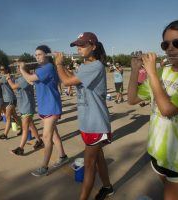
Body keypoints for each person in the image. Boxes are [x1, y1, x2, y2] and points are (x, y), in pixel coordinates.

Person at [127, 20, 178, 200]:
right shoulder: (164, 72)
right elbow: (132, 99)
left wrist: (153, 73)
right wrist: (134, 71)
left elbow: (167, 109)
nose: (170, 49)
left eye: (177, 43)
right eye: (166, 44)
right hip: (159, 152)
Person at [55, 32, 113, 200]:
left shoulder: (96, 66)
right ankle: (108, 187)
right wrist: (63, 66)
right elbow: (72, 78)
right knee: (99, 158)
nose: (79, 48)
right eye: (77, 46)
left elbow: (66, 82)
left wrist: (58, 65)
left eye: (82, 45)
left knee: (89, 165)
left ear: (93, 46)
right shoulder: (84, 66)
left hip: (96, 123)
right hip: (87, 122)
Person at [19, 45, 68, 177]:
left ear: (47, 55)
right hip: (44, 107)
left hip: (51, 106)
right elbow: (30, 82)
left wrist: (21, 68)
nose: (37, 57)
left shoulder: (49, 67)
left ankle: (44, 167)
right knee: (54, 135)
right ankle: (63, 156)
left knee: (46, 136)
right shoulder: (41, 69)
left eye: (40, 54)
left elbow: (29, 79)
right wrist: (25, 71)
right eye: (36, 55)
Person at [6, 65, 44, 155]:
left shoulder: (24, 79)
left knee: (25, 128)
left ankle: (21, 148)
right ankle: (39, 141)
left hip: (27, 106)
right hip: (23, 105)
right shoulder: (20, 78)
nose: (16, 69)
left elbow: (13, 87)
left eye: (18, 67)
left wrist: (8, 79)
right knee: (31, 125)